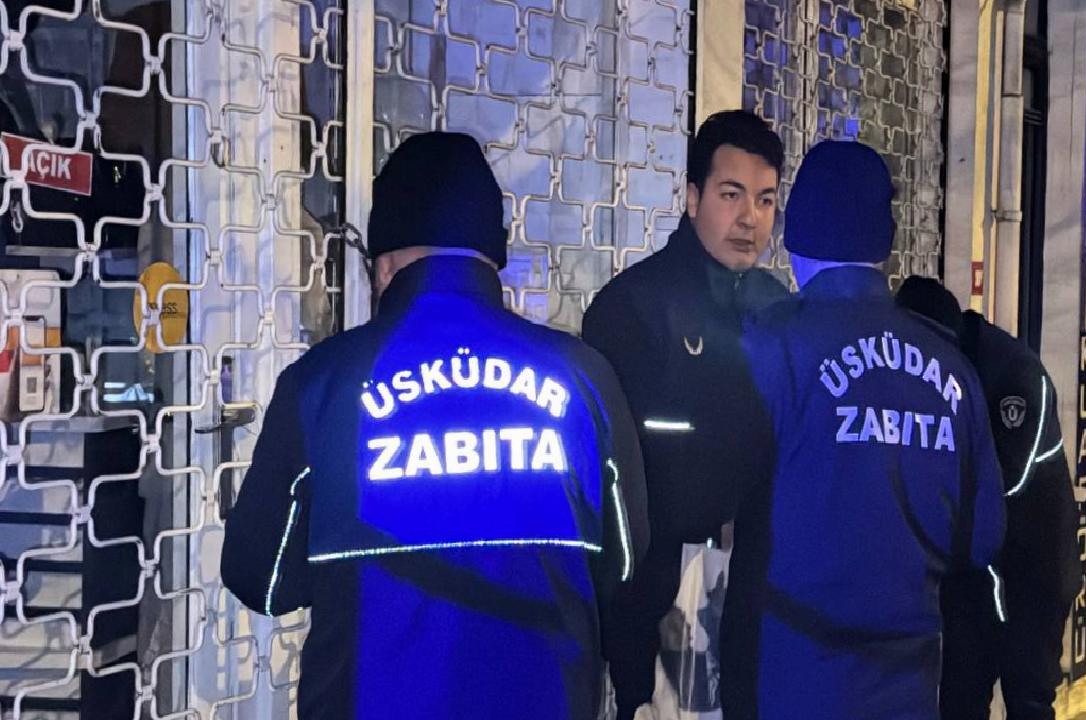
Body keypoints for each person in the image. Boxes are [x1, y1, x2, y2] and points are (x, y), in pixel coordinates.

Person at [220, 132, 649, 719]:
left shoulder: (322, 383)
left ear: (385, 264)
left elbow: (262, 581)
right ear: (491, 258)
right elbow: (623, 563)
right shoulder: (583, 377)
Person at [720, 140, 1005, 720]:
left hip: (790, 675)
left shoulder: (769, 347)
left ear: (795, 235)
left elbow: (715, 496)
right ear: (884, 241)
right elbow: (982, 538)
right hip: (910, 680)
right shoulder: (950, 367)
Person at [581, 110, 789, 719]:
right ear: (693, 197)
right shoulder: (631, 310)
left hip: (763, 607)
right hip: (653, 612)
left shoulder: (781, 314)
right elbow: (609, 490)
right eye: (731, 195)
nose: (749, 218)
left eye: (765, 200)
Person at [897, 276, 1079, 719]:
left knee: (1029, 698)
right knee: (960, 698)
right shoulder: (938, 365)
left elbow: (1004, 482)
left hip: (1032, 573)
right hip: (971, 577)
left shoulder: (1013, 373)